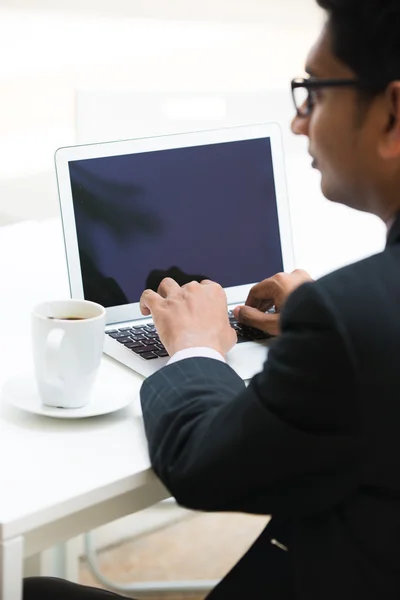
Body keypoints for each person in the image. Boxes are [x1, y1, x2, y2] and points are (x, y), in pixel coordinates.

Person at [23, 0, 400, 597]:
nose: (300, 122)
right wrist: (317, 319)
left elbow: (203, 466)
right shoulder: (355, 314)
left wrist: (196, 346)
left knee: (33, 589)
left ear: (392, 113)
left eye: (316, 93)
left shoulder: (354, 323)